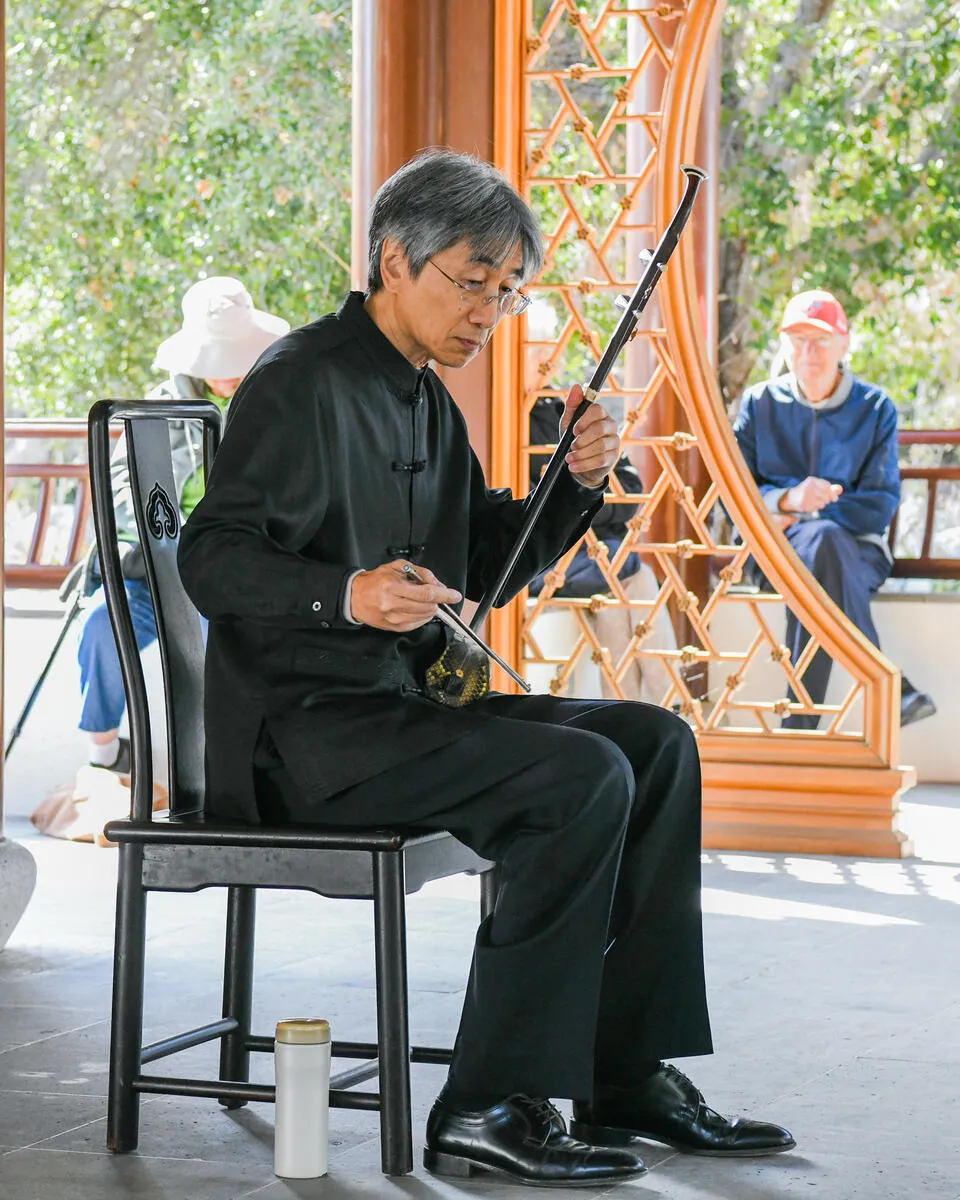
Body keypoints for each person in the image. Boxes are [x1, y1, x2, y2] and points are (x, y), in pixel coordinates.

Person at [179, 149, 794, 1188]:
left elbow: (481, 570)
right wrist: (348, 595)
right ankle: (487, 1105)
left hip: (397, 714)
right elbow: (212, 556)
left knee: (651, 742)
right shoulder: (300, 383)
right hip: (306, 739)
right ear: (393, 259)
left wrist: (574, 484)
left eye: (508, 292)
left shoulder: (421, 396)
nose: (490, 310)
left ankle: (625, 1072)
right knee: (578, 777)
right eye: (473, 280)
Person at [78, 276, 289, 774]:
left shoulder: (279, 398)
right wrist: (176, 528)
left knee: (222, 638)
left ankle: (222, 770)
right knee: (101, 626)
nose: (228, 375)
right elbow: (121, 489)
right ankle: (104, 753)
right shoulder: (156, 407)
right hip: (158, 565)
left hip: (237, 568)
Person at [733, 289, 936, 730]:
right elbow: (735, 494)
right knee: (817, 555)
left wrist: (805, 513)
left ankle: (799, 725)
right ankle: (889, 685)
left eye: (821, 340)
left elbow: (879, 505)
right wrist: (789, 499)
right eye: (798, 339)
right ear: (784, 345)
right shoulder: (758, 404)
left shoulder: (875, 408)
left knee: (821, 549)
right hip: (772, 556)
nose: (808, 352)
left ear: (844, 344)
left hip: (856, 556)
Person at [528, 395, 678, 704]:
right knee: (634, 577)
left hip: (595, 554)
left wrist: (587, 504)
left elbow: (630, 491)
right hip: (544, 561)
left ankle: (633, 709)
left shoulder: (564, 410)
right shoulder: (511, 423)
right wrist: (590, 503)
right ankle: (661, 704)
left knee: (619, 593)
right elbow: (537, 505)